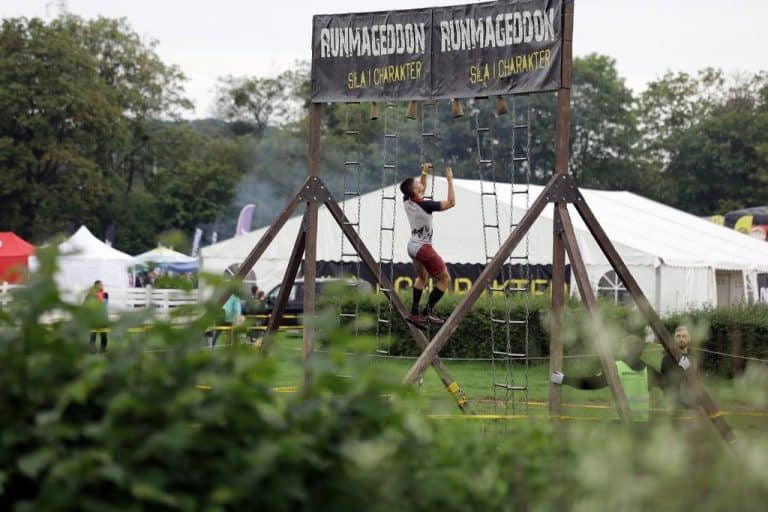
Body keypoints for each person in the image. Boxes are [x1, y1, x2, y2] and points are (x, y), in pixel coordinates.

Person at [399, 162, 456, 329]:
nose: (420, 184)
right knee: (445, 279)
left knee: (422, 278)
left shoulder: (407, 199)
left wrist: (424, 172)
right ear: (416, 191)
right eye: (417, 184)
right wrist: (450, 180)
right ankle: (427, 313)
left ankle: (414, 314)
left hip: (412, 247)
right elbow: (451, 202)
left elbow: (421, 186)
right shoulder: (426, 205)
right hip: (424, 248)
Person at [550, 335, 652, 421]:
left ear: (625, 349)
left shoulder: (616, 368)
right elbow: (666, 384)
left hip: (620, 422)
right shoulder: (649, 370)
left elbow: (591, 383)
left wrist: (564, 379)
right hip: (642, 423)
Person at [85, 280, 109, 352]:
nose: (101, 286)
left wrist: (95, 295)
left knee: (104, 334)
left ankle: (103, 348)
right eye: (99, 285)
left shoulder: (105, 294)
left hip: (102, 316)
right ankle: (92, 348)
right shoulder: (89, 295)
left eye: (101, 285)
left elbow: (103, 302)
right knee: (93, 333)